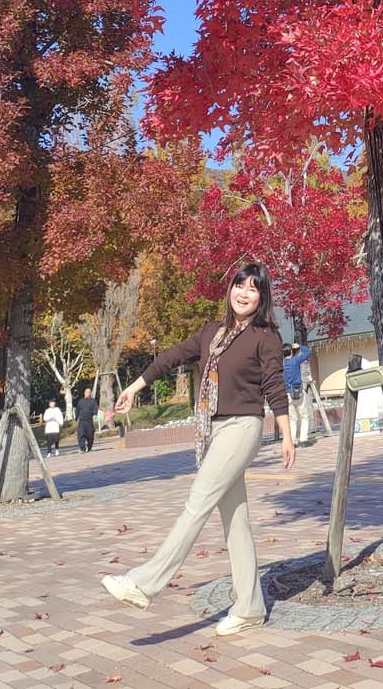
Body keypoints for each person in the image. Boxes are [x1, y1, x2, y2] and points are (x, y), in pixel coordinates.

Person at [101, 261, 293, 638]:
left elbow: (274, 383)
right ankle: (251, 607)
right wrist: (134, 388)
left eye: (253, 289)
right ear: (230, 289)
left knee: (198, 501)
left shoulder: (264, 335)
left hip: (243, 427)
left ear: (261, 297)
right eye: (240, 285)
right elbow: (170, 356)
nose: (244, 293)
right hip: (213, 431)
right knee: (234, 520)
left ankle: (145, 583)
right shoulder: (211, 333)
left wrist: (287, 433)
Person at [282, 340, 312, 445]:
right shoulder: (295, 361)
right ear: (291, 352)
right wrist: (299, 346)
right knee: (304, 416)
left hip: (287, 393)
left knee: (292, 419)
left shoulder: (282, 365)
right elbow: (308, 352)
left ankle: (293, 441)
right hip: (298, 392)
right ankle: (304, 439)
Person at [76, 385, 100, 453]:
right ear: (84, 393)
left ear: (90, 393)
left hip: (89, 420)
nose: (87, 393)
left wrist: (95, 414)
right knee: (81, 434)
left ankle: (89, 447)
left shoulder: (93, 401)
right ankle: (82, 448)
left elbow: (95, 408)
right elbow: (77, 410)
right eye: (86, 392)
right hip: (82, 421)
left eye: (89, 392)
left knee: (90, 435)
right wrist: (76, 418)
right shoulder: (81, 401)